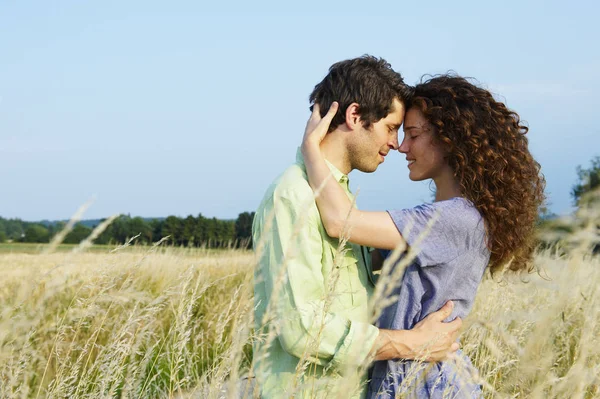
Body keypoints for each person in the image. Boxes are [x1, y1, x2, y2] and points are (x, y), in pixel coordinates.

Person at [301, 74, 545, 398]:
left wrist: (311, 151)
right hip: (411, 378)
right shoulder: (440, 217)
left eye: (413, 135)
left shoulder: (458, 219)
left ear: (448, 140)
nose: (402, 146)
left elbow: (340, 223)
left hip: (427, 384)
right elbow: (360, 251)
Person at [252, 57, 463, 399]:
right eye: (392, 127)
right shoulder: (294, 194)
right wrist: (412, 344)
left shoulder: (338, 197)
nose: (396, 143)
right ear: (354, 116)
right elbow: (300, 328)